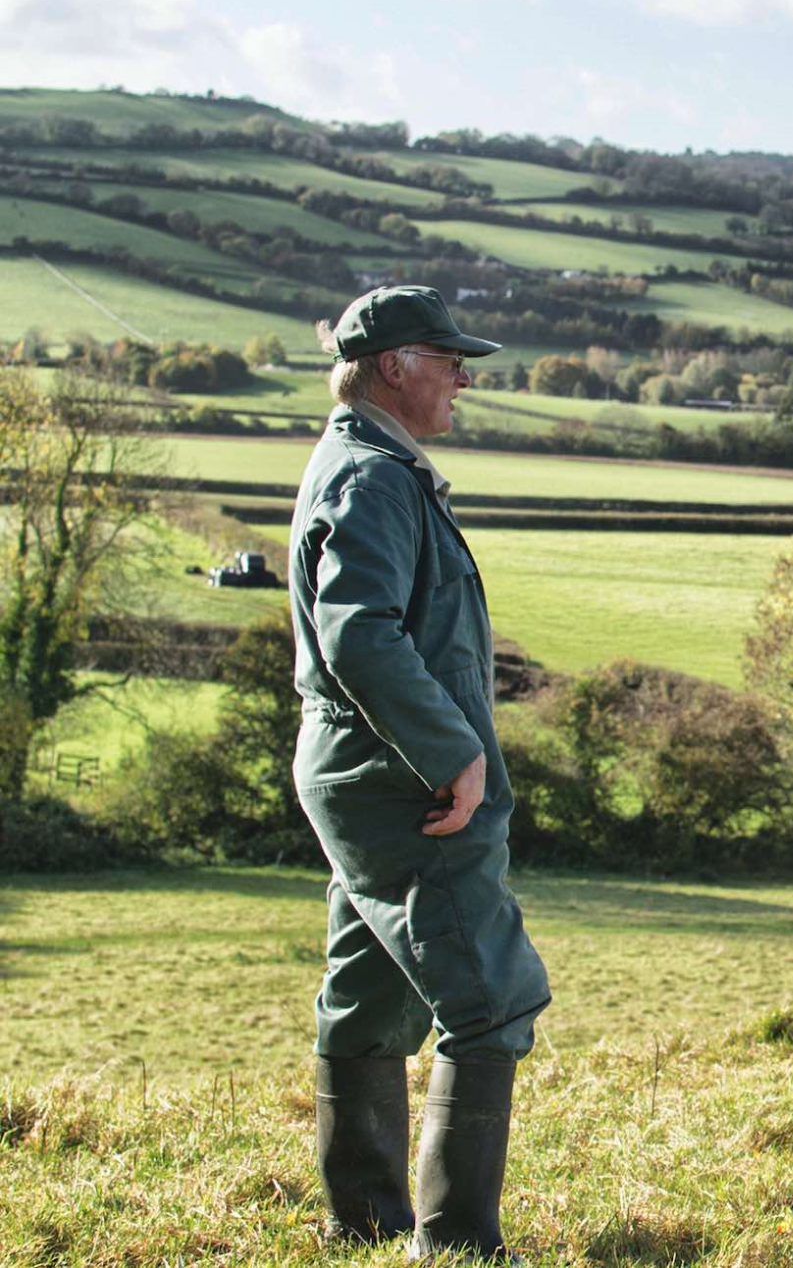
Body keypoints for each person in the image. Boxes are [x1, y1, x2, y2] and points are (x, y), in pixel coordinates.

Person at [290, 285, 550, 1259]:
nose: (463, 378)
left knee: (367, 986)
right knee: (490, 997)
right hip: (406, 777)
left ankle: (359, 1223)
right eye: (448, 358)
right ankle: (460, 1243)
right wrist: (455, 754)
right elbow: (360, 631)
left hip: (358, 768)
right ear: (395, 364)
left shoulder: (354, 462)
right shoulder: (378, 476)